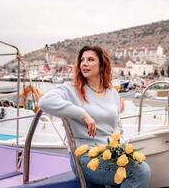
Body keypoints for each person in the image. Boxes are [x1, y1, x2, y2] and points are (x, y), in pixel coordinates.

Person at [39, 45, 150, 187]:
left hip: (111, 153)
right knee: (141, 172)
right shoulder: (70, 89)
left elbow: (116, 128)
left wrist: (122, 150)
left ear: (102, 65)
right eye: (82, 60)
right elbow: (45, 102)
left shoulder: (112, 93)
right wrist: (82, 114)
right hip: (86, 157)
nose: (84, 63)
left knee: (139, 165)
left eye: (90, 59)